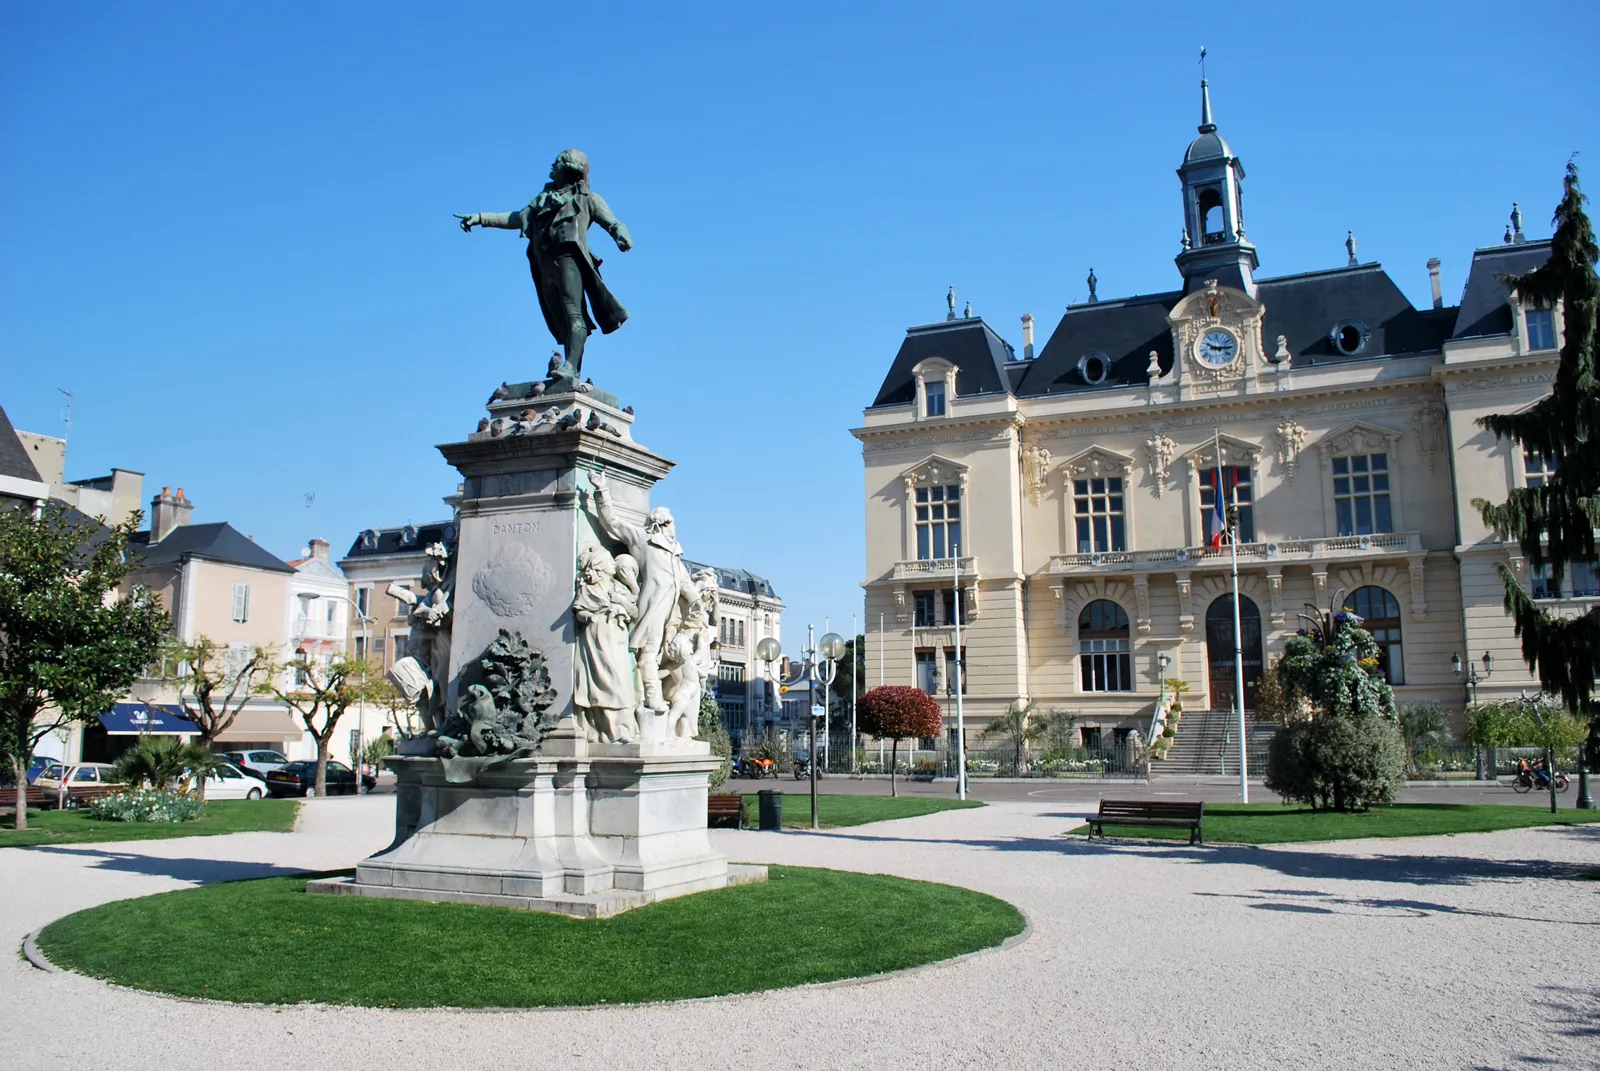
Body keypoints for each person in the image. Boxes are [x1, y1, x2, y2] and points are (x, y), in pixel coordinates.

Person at [456, 149, 632, 382]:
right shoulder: (542, 201)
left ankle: (570, 367)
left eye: (558, 162)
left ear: (570, 169)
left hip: (569, 261)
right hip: (544, 264)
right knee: (561, 320)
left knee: (574, 314)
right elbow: (515, 218)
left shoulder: (588, 199)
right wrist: (481, 218)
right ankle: (571, 371)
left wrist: (622, 236)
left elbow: (614, 223)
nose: (553, 165)